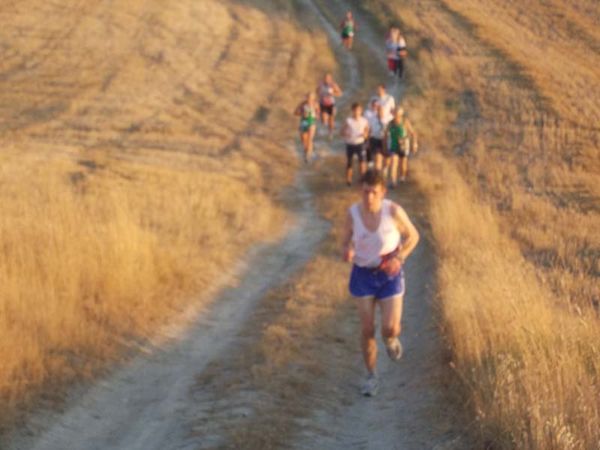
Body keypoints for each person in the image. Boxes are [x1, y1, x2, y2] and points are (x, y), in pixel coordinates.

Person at [341, 169, 420, 396]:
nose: (369, 198)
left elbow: (413, 236)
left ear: (383, 192)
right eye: (365, 192)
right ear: (360, 191)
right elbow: (344, 242)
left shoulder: (393, 211)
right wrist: (347, 250)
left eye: (374, 193)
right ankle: (371, 376)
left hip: (389, 274)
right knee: (367, 329)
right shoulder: (353, 214)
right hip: (363, 274)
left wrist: (400, 257)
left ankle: (391, 339)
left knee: (390, 327)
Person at [384, 106, 418, 187]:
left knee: (403, 164)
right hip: (394, 146)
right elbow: (385, 135)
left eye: (398, 114)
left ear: (401, 114)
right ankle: (393, 181)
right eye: (395, 114)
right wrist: (384, 146)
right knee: (393, 162)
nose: (396, 116)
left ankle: (402, 177)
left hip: (403, 146)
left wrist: (414, 144)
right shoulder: (390, 123)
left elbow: (413, 133)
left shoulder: (405, 122)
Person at [341, 102, 369, 186]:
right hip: (350, 143)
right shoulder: (348, 120)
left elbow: (367, 131)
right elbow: (342, 132)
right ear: (352, 111)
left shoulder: (364, 120)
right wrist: (346, 134)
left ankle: (363, 180)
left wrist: (365, 135)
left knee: (362, 162)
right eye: (355, 110)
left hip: (360, 143)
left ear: (361, 111)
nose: (357, 112)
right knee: (349, 162)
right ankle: (348, 180)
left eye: (359, 110)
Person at [294, 92, 320, 163]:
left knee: (310, 139)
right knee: (304, 141)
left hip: (311, 122)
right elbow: (295, 112)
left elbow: (318, 114)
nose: (309, 99)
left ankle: (308, 156)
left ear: (314, 98)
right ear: (306, 97)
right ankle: (307, 153)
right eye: (308, 97)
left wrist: (316, 115)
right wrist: (302, 113)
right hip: (304, 122)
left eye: (311, 98)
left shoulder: (316, 104)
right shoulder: (302, 104)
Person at [364, 99, 389, 173]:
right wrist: (367, 140)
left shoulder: (386, 120)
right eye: (377, 108)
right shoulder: (372, 118)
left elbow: (387, 132)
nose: (379, 110)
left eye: (379, 108)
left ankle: (383, 170)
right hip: (374, 139)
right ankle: (377, 173)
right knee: (378, 158)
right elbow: (368, 129)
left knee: (384, 158)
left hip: (384, 140)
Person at [317, 73, 343, 139]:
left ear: (331, 79)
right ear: (323, 78)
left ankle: (330, 132)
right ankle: (324, 126)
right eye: (325, 78)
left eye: (328, 78)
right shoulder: (320, 84)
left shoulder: (333, 85)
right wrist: (319, 92)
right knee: (323, 118)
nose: (327, 79)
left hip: (331, 103)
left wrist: (333, 93)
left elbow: (340, 93)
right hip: (322, 103)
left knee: (331, 119)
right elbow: (317, 91)